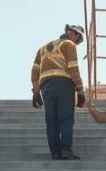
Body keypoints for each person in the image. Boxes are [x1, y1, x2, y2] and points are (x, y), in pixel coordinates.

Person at [31, 24, 87, 159]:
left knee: (51, 121)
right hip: (63, 84)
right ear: (73, 33)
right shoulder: (68, 44)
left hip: (46, 87)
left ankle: (55, 153)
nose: (76, 42)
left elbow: (35, 70)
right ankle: (66, 150)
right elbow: (73, 68)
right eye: (77, 39)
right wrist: (80, 90)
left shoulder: (43, 48)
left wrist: (36, 91)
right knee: (66, 118)